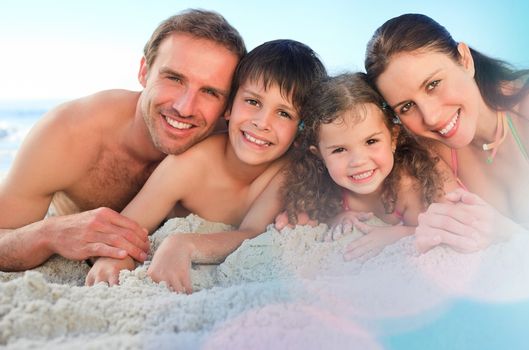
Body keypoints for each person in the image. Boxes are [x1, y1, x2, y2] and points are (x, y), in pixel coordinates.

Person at [0, 9, 245, 272]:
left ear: (228, 105)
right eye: (174, 78)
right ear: (144, 71)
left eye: (210, 92)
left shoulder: (238, 143)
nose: (185, 108)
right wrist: (48, 234)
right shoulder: (69, 133)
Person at [84, 39, 327, 293]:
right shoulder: (190, 163)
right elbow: (127, 228)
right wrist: (115, 258)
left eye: (284, 113)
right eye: (253, 102)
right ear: (229, 107)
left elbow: (253, 231)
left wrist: (184, 244)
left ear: (300, 130)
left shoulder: (285, 170)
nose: (262, 122)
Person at [364, 14, 529, 253]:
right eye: (407, 107)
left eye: (433, 84)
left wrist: (503, 231)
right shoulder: (429, 150)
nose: (430, 117)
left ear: (464, 60)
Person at [279, 72, 457, 261]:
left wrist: (397, 235)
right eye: (339, 150)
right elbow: (307, 217)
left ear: (393, 138)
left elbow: (440, 233)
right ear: (319, 155)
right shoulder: (323, 188)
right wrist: (336, 218)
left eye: (371, 141)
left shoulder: (409, 187)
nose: (358, 161)